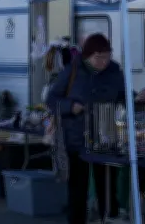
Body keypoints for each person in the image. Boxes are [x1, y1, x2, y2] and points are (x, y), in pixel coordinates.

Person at [46, 33, 125, 224]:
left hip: (106, 137)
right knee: (77, 189)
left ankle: (109, 218)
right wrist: (70, 107)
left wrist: (136, 100)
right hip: (76, 137)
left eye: (106, 56)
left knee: (106, 186)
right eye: (98, 57)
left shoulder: (115, 71)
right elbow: (51, 100)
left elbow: (123, 96)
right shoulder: (72, 70)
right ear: (87, 55)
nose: (103, 62)